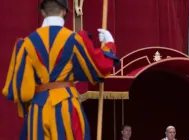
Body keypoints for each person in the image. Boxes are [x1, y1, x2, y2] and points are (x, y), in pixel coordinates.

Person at [2, 0, 119, 139]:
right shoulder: (74, 39)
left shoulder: (26, 44)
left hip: (38, 110)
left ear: (43, 12)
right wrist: (109, 44)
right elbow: (99, 68)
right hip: (66, 106)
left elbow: (20, 91)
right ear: (64, 11)